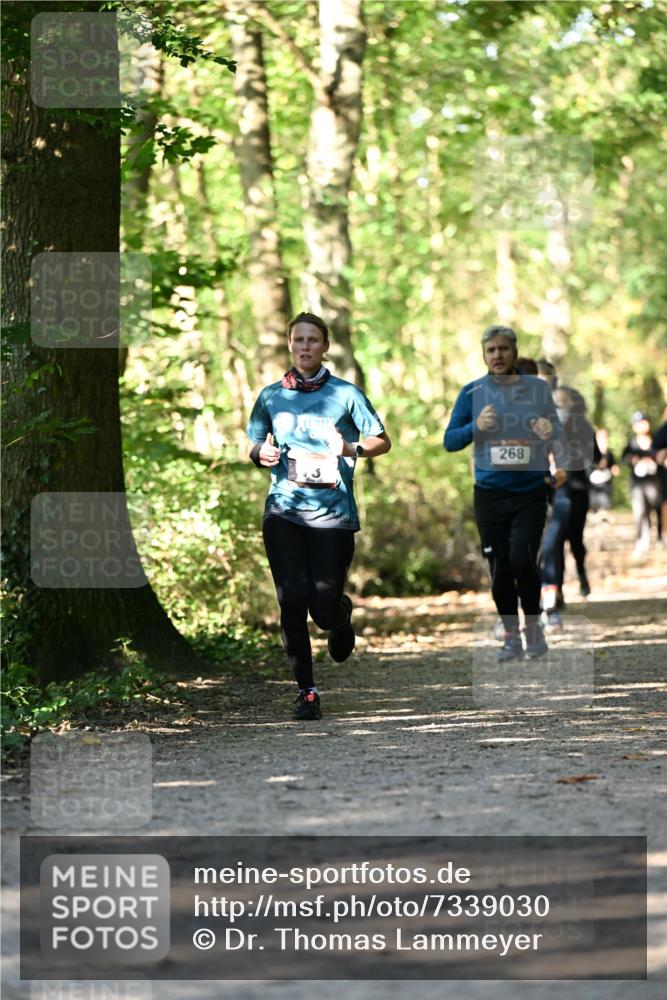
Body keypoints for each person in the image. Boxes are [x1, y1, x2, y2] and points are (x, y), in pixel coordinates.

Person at [246, 312, 391, 720]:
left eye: (313, 340)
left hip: (333, 513)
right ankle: (307, 692)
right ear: (290, 345)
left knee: (323, 607)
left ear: (324, 346)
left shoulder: (346, 394)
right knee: (291, 599)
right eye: (298, 340)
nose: (305, 346)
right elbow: (253, 443)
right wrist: (261, 454)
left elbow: (381, 440)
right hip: (284, 510)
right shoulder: (272, 396)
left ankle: (340, 619)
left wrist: (352, 450)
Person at [444, 325, 559, 661]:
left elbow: (559, 434)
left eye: (503, 349)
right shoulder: (471, 393)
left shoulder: (537, 390)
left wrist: (550, 430)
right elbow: (450, 441)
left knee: (523, 561)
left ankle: (534, 629)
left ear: (514, 352)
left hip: (529, 492)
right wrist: (475, 427)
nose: (497, 355)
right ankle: (511, 636)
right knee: (499, 570)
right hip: (490, 495)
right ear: (483, 354)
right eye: (491, 350)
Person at [540, 387, 598, 624]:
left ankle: (582, 573)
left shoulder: (583, 426)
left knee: (574, 538)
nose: (559, 407)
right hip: (556, 491)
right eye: (555, 403)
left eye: (562, 403)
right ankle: (558, 591)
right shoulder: (546, 425)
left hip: (578, 489)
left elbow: (593, 456)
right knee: (554, 542)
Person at [622, 411, 662, 556]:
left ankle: (660, 538)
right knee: (640, 513)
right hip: (638, 484)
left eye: (643, 422)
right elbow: (624, 458)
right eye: (638, 423)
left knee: (659, 511)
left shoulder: (657, 440)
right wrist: (632, 460)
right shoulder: (632, 443)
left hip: (657, 482)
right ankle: (642, 541)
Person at [587, 427, 620, 550]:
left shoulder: (609, 454)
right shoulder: (591, 453)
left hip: (605, 489)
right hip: (594, 489)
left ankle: (601, 540)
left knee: (603, 514)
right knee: (595, 516)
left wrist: (612, 469)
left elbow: (616, 469)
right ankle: (597, 539)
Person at [652, 404, 667, 547]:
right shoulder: (661, 432)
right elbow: (654, 451)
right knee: (663, 504)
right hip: (664, 475)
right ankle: (663, 534)